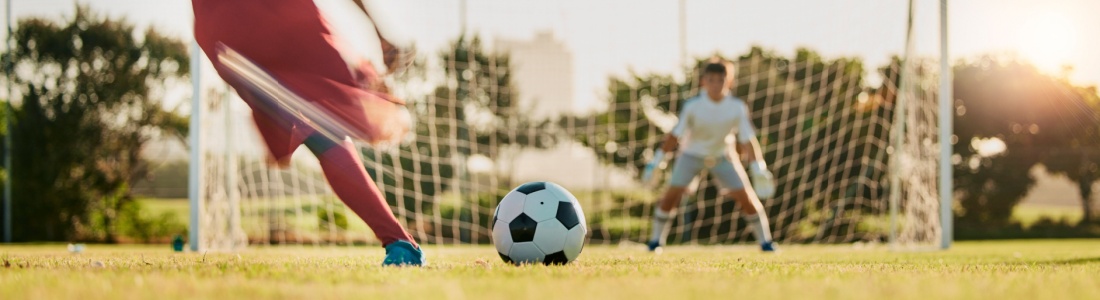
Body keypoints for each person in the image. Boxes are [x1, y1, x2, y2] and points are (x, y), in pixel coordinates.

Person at [192, 0, 424, 266]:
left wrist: (378, 31)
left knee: (318, 125)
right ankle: (399, 241)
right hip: (235, 32)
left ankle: (399, 242)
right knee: (315, 122)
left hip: (256, 28)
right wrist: (377, 31)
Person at [647, 59, 778, 253]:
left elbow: (748, 139)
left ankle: (766, 243)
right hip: (691, 155)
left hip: (723, 156)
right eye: (711, 80)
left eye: (721, 80)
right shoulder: (693, 106)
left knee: (747, 198)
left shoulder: (736, 107)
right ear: (703, 82)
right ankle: (656, 242)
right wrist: (657, 161)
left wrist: (759, 167)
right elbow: (675, 135)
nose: (716, 84)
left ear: (729, 82)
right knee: (670, 197)